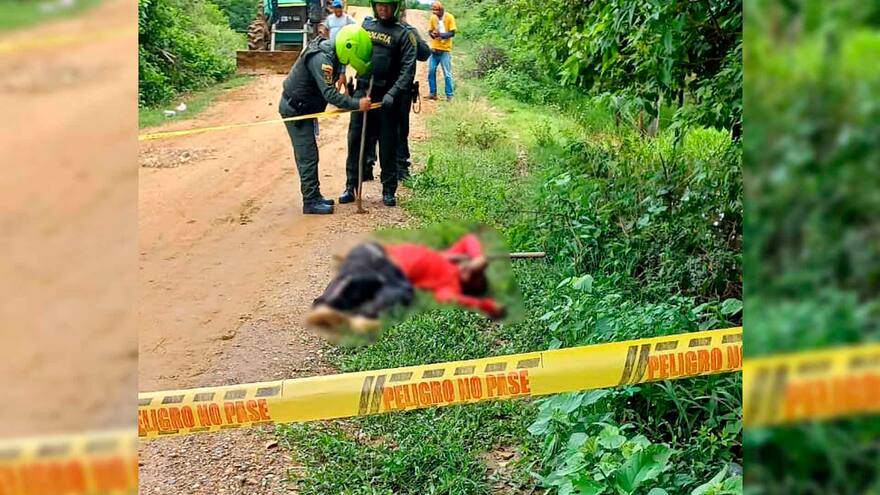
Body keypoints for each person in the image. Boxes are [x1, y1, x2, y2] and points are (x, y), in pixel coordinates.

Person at [307, 234, 506, 332]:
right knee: (358, 271)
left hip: (391, 273)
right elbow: (469, 239)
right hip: (379, 254)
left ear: (468, 286)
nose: (471, 271)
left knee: (372, 283)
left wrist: (486, 306)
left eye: (474, 277)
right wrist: (478, 257)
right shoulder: (451, 256)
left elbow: (449, 298)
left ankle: (340, 310)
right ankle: (335, 308)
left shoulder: (448, 285)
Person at [279, 25, 372, 215]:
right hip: (295, 110)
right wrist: (356, 104)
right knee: (308, 155)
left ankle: (315, 195)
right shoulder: (322, 58)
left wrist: (344, 90)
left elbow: (332, 82)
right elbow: (329, 94)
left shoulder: (331, 53)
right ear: (348, 47)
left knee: (310, 153)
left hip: (303, 108)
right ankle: (310, 201)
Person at [338, 0, 417, 207]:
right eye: (379, 4)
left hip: (387, 99)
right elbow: (350, 49)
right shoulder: (366, 26)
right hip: (363, 92)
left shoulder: (404, 34)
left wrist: (393, 93)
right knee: (355, 141)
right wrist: (343, 72)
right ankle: (350, 186)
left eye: (387, 5)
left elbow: (408, 70)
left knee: (388, 145)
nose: (383, 8)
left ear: (395, 7)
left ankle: (389, 190)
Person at [396, 10, 431, 180]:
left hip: (392, 89)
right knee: (398, 128)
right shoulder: (407, 30)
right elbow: (424, 53)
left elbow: (424, 54)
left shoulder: (373, 27)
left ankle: (369, 166)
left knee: (379, 129)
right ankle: (400, 168)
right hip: (398, 89)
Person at [427, 1, 456, 101]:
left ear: (441, 10)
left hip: (445, 50)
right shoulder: (433, 18)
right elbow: (430, 30)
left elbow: (452, 33)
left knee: (447, 74)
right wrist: (432, 34)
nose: (435, 13)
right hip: (434, 49)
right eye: (433, 11)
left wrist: (440, 35)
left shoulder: (449, 17)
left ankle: (449, 95)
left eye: (436, 11)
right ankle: (432, 93)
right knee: (431, 71)